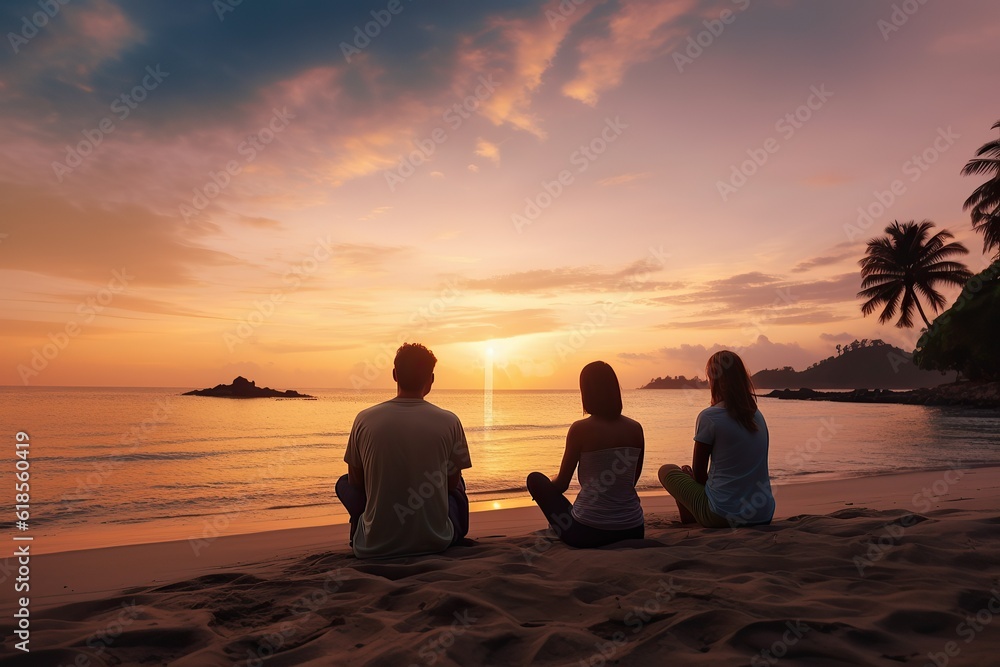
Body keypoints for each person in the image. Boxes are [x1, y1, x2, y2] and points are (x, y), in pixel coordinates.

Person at [335, 343, 472, 558]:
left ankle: (364, 529)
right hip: (436, 540)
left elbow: (356, 483)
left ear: (394, 374)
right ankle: (442, 529)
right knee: (458, 483)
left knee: (343, 483)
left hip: (373, 546)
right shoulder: (450, 421)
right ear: (431, 379)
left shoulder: (364, 419)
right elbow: (452, 485)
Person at [525, 361, 645, 548]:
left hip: (589, 533)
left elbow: (561, 485)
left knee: (535, 480)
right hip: (634, 529)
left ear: (586, 393)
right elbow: (631, 481)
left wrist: (550, 481)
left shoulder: (580, 429)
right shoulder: (635, 428)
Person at [658, 350, 774, 529]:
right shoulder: (757, 416)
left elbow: (699, 474)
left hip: (722, 516)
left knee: (667, 471)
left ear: (714, 379)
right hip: (763, 513)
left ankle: (691, 517)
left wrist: (690, 479)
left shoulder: (710, 417)